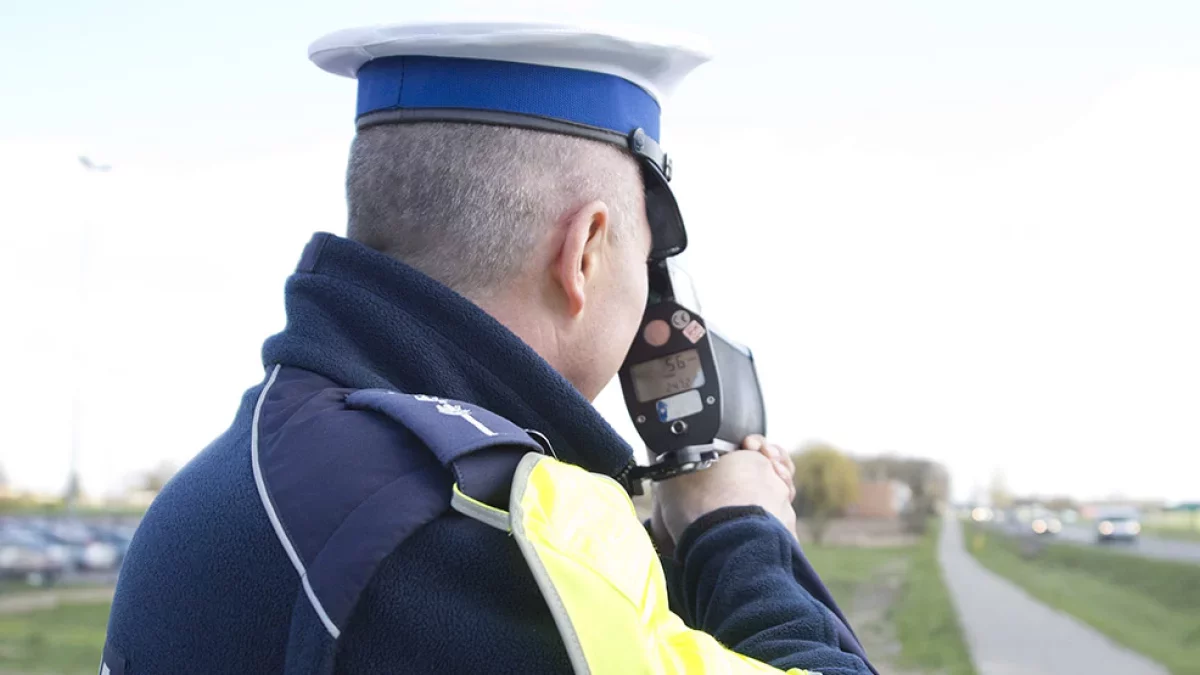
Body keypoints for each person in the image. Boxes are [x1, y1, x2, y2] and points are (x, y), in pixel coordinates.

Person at [101, 21, 875, 675]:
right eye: (645, 261)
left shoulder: (240, 471)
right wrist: (738, 530)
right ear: (584, 251)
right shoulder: (477, 531)